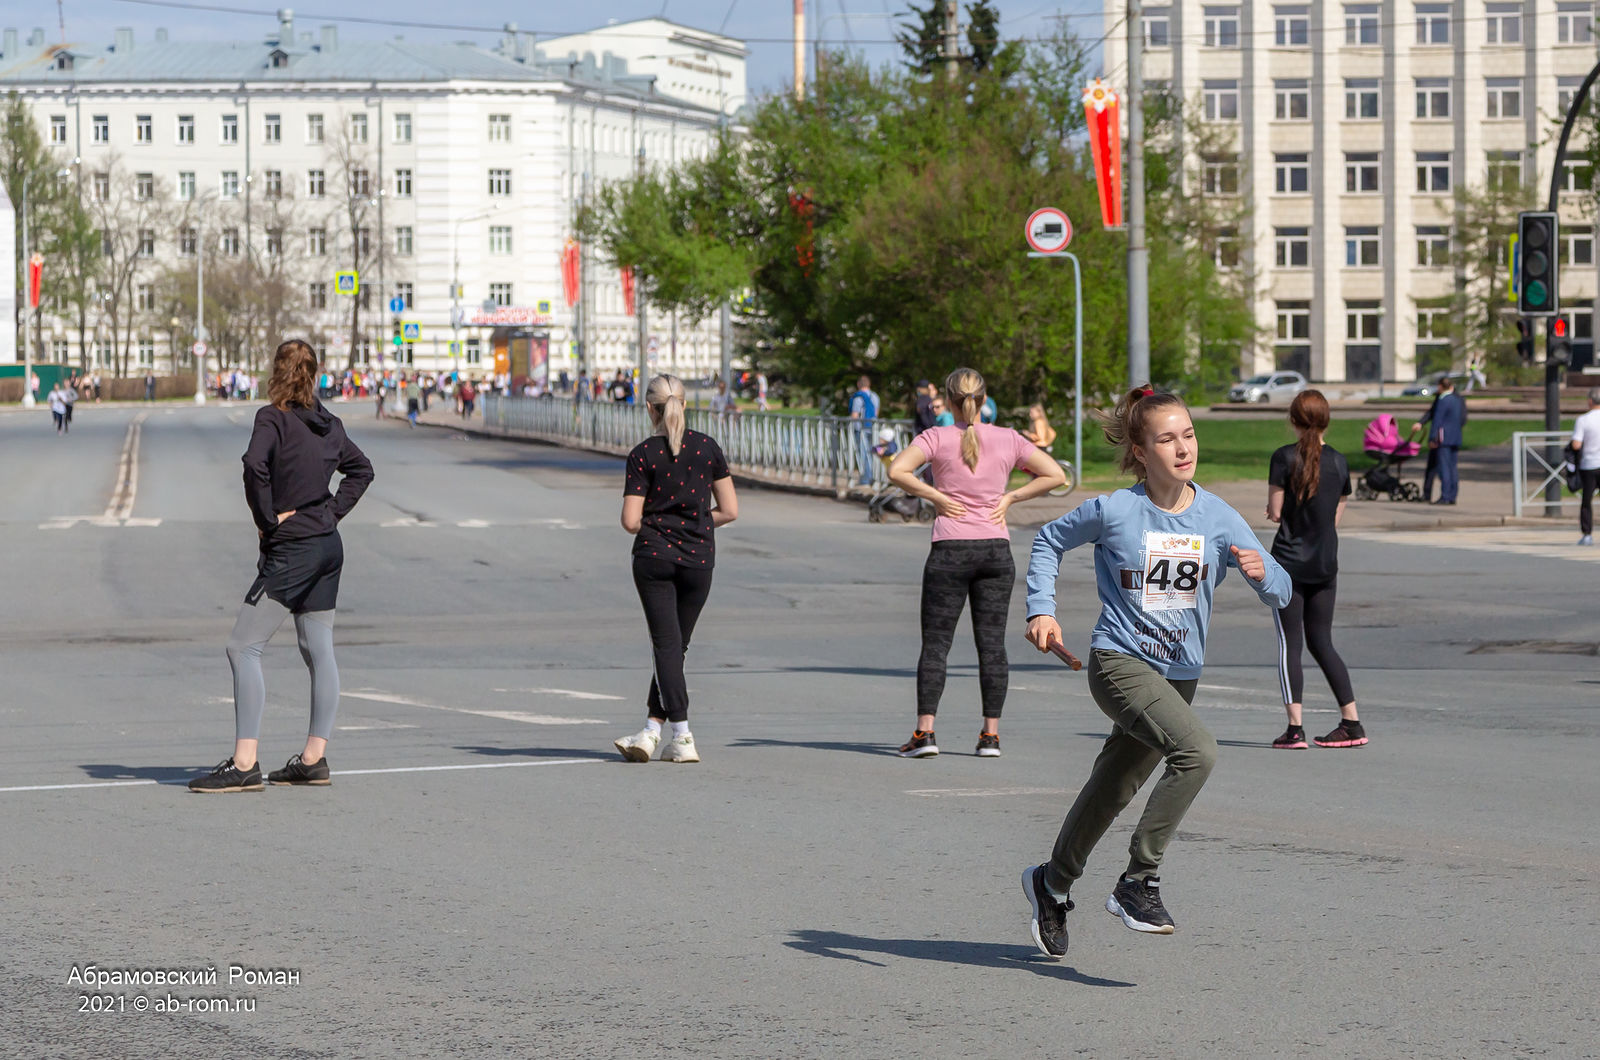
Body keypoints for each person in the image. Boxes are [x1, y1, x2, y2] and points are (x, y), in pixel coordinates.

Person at [1019, 385, 1290, 956]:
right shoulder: (1115, 510)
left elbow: (1282, 592)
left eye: (1188, 434)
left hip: (1180, 673)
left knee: (1114, 785)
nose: (1183, 448)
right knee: (1197, 752)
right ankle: (1138, 880)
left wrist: (1262, 571)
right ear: (1141, 452)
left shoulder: (1218, 516)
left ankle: (1052, 883)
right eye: (1167, 439)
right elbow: (1048, 540)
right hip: (1119, 661)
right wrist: (1041, 608)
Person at [188, 339, 374, 793]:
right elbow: (362, 470)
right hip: (327, 547)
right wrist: (330, 514)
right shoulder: (330, 424)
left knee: (242, 647)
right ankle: (313, 760)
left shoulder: (272, 418)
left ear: (277, 372)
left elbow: (254, 465)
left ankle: (244, 763)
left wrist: (266, 519)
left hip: (293, 551)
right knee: (318, 649)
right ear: (315, 374)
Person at [887, 368, 1067, 758]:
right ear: (984, 400)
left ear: (948, 401)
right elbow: (1055, 474)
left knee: (936, 645)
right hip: (995, 551)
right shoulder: (1008, 438)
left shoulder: (935, 437)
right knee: (992, 646)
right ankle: (990, 737)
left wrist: (937, 496)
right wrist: (1010, 498)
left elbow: (896, 470)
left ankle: (925, 734)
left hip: (950, 550)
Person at [613, 374, 738, 765]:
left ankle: (682, 736)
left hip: (655, 557)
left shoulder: (643, 454)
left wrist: (662, 524)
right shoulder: (707, 448)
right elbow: (730, 510)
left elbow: (630, 521)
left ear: (649, 409)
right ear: (684, 404)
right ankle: (651, 731)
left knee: (666, 647)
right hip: (699, 559)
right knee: (674, 648)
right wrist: (694, 523)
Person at [1265, 391, 1365, 750]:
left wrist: (1276, 509)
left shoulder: (1284, 457)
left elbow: (1276, 512)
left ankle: (1295, 729)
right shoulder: (1339, 461)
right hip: (1325, 563)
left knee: (1289, 644)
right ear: (1326, 421)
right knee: (1322, 642)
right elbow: (1335, 513)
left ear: (1293, 420)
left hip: (1288, 564)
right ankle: (1351, 722)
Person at [1412, 376, 1466, 505]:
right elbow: (1462, 419)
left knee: (1444, 468)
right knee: (1452, 468)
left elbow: (1437, 420)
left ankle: (1445, 496)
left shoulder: (1443, 400)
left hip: (1443, 438)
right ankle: (1452, 495)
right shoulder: (1457, 399)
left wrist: (1432, 438)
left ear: (1441, 386)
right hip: (1455, 436)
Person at [1570, 387, 1600, 546]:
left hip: (1589, 464)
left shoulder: (1583, 420)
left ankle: (1587, 534)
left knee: (1587, 500)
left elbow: (1576, 444)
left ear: (1590, 401)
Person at [848, 375, 879, 486]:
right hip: (873, 428)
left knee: (863, 454)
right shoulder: (875, 396)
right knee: (872, 453)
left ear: (858, 384)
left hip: (860, 429)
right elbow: (876, 413)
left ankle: (866, 479)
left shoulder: (858, 398)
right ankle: (874, 477)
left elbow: (854, 415)